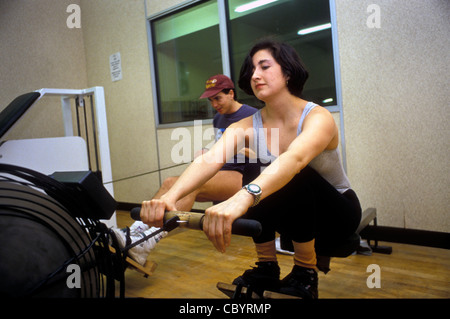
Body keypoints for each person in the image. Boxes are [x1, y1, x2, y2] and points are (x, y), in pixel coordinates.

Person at [139, 40, 361, 299]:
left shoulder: (317, 117)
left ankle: (305, 273)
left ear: (287, 72)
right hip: (298, 217)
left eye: (264, 67)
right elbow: (210, 159)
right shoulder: (246, 125)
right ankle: (267, 265)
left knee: (289, 172)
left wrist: (241, 198)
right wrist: (170, 197)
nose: (255, 75)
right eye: (252, 70)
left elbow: (295, 159)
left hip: (337, 215)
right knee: (255, 169)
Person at [111, 74, 257, 266]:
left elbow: (261, 154)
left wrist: (232, 148)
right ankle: (134, 233)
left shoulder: (252, 115)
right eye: (211, 100)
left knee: (194, 186)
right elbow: (219, 152)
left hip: (246, 178)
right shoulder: (218, 119)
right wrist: (209, 153)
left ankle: (147, 243)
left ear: (231, 94)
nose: (214, 104)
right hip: (222, 172)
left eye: (218, 98)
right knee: (170, 183)